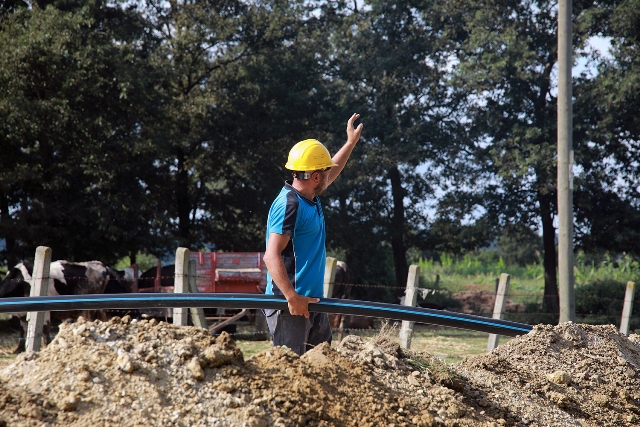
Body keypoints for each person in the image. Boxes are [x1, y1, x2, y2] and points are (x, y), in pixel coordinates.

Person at [262, 113, 363, 355]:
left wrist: (349, 144)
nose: (330, 177)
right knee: (292, 375)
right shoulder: (289, 204)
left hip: (312, 302)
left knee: (322, 371)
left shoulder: (309, 196)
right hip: (290, 306)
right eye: (325, 174)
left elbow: (331, 172)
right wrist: (291, 296)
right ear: (314, 176)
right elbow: (271, 255)